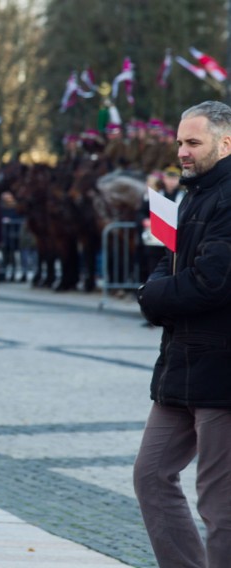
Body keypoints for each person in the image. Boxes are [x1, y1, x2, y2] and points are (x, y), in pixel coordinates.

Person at [134, 100, 231, 568]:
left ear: (225, 142)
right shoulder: (191, 194)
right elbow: (169, 261)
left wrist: (153, 297)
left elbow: (213, 280)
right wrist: (152, 290)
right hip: (180, 365)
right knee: (150, 475)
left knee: (219, 506)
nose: (183, 152)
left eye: (193, 142)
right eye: (179, 142)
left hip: (222, 371)